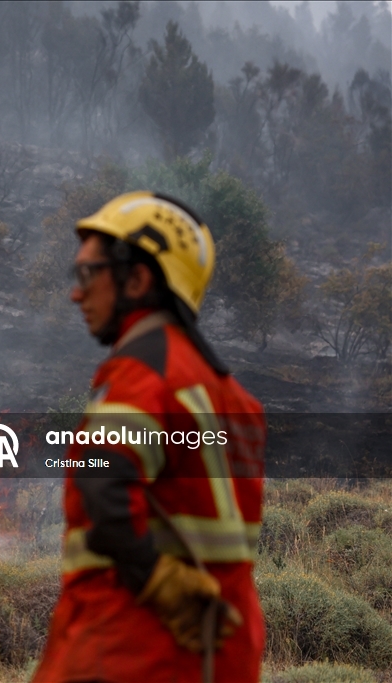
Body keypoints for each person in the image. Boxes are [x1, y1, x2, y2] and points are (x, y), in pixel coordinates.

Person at [31, 192, 267, 683]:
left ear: (136, 279)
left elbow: (101, 484)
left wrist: (158, 582)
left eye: (87, 274)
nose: (77, 294)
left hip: (130, 651)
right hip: (222, 656)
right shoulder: (235, 399)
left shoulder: (143, 373)